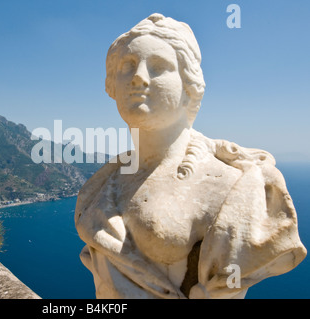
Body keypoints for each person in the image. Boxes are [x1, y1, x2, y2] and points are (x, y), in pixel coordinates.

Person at [75, 13, 306, 299]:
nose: (138, 77)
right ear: (111, 84)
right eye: (127, 65)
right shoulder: (103, 181)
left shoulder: (235, 187)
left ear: (188, 87)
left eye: (158, 67)